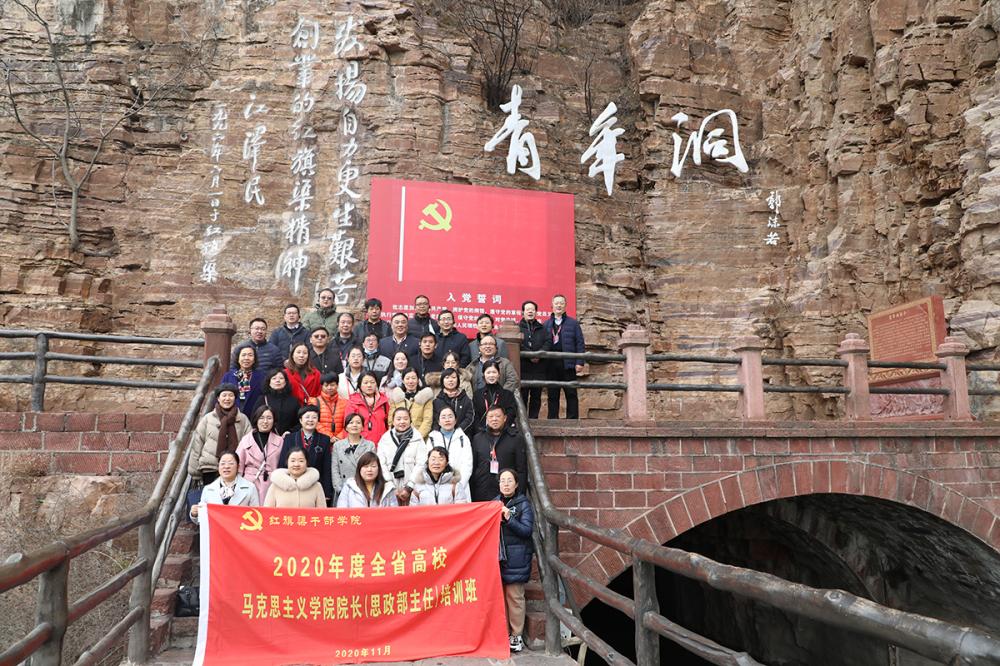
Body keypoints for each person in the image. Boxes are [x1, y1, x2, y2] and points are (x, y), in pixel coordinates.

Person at [496, 468, 535, 653]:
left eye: (509, 480)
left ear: (517, 484)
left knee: (515, 598)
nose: (506, 484)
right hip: (499, 557)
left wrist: (508, 517)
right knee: (500, 598)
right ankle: (502, 634)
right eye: (502, 480)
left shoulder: (523, 504)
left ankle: (516, 635)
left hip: (517, 557)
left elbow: (526, 531)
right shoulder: (494, 503)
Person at [188, 385, 252, 484]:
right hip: (210, 467)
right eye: (224, 395)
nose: (227, 398)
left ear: (235, 398)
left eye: (230, 395)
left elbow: (249, 445)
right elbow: (197, 443)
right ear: (218, 398)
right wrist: (194, 471)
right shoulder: (208, 418)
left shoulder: (242, 419)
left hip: (235, 468)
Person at [278, 404, 334, 505]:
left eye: (314, 417)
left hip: (315, 485)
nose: (310, 420)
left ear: (318, 420)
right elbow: (283, 463)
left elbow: (327, 468)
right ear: (300, 420)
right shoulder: (289, 438)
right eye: (307, 417)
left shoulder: (324, 440)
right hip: (293, 485)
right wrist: (282, 485)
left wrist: (327, 492)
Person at [469, 406, 526, 502]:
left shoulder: (516, 438)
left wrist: (520, 495)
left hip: (507, 492)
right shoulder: (478, 438)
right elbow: (473, 467)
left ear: (505, 418)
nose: (494, 419)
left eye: (498, 416)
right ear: (487, 419)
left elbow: (521, 469)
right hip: (482, 490)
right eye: (491, 416)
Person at [544, 294, 585, 419]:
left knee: (571, 393)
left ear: (565, 305)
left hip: (568, 362)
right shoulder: (546, 324)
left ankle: (572, 420)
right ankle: (552, 420)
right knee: (552, 394)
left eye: (561, 303)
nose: (559, 305)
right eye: (556, 303)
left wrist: (580, 362)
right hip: (551, 363)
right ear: (552, 305)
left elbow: (580, 343)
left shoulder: (573, 323)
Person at [189, 452, 259, 524]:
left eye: (231, 463)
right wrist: (195, 514)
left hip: (240, 529)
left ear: (238, 466)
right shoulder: (208, 489)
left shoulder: (250, 488)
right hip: (216, 530)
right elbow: (202, 520)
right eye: (223, 463)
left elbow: (257, 515)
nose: (226, 466)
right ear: (218, 467)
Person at [377, 408, 428, 504]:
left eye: (405, 418)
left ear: (410, 420)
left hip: (413, 488)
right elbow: (381, 463)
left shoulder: (417, 438)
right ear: (393, 421)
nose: (402, 422)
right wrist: (390, 486)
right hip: (390, 487)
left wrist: (409, 487)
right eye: (398, 419)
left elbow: (421, 463)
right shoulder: (385, 439)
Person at [235, 405, 283, 502]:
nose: (265, 421)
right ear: (256, 419)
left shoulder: (280, 441)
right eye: (261, 418)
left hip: (272, 484)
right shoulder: (246, 440)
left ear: (274, 421)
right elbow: (238, 465)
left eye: (269, 418)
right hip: (248, 483)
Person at [330, 413, 375, 504]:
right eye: (351, 422)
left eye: (358, 422)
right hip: (343, 490)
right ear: (346, 427)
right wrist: (340, 489)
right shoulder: (338, 446)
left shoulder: (370, 445)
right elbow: (335, 469)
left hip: (364, 490)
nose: (354, 425)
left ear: (362, 427)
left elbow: (372, 468)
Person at [518, 300, 551, 419]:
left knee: (536, 396)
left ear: (536, 312)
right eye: (528, 309)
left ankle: (534, 419)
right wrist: (530, 355)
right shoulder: (517, 328)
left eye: (532, 309)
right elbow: (519, 344)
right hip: (524, 367)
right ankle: (522, 419)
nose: (530, 311)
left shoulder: (542, 328)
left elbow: (548, 342)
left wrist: (539, 354)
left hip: (539, 367)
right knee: (523, 395)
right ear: (523, 312)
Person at [426, 406, 473, 486]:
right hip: (436, 485)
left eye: (450, 416)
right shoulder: (432, 438)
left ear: (455, 420)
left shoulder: (463, 438)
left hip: (460, 484)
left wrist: (459, 485)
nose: (447, 420)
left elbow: (467, 465)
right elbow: (428, 463)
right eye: (443, 417)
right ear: (439, 422)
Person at [388, 368, 434, 439]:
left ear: (418, 380)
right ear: (403, 380)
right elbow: (391, 419)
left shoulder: (425, 396)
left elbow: (427, 420)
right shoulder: (397, 396)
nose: (410, 381)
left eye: (413, 378)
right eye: (407, 378)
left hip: (419, 438)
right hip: (398, 437)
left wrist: (417, 437)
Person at [346, 372, 391, 444]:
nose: (369, 385)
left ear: (376, 384)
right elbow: (348, 426)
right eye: (365, 383)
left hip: (382, 443)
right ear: (360, 385)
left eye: (372, 382)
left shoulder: (384, 401)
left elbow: (389, 423)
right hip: (361, 444)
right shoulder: (353, 402)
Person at [253, 369, 300, 437]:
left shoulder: (293, 401)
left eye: (281, 378)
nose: (278, 380)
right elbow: (254, 420)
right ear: (269, 383)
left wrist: (290, 432)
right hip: (266, 437)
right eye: (274, 378)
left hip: (288, 438)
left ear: (285, 382)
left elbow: (300, 422)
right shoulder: (262, 399)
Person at [472, 362, 517, 432]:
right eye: (488, 373)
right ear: (484, 375)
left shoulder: (508, 394)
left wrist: (500, 428)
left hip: (503, 432)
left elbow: (511, 414)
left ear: (499, 374)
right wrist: (480, 430)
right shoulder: (477, 395)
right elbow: (475, 415)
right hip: (482, 432)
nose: (491, 375)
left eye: (494, 372)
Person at [220, 345, 263, 418]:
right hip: (230, 416)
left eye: (250, 355)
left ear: (254, 359)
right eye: (243, 355)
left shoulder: (261, 377)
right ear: (238, 358)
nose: (246, 358)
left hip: (253, 417)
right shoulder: (228, 376)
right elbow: (220, 396)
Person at [432, 369, 475, 434]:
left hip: (462, 434)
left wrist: (458, 431)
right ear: (442, 381)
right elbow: (435, 420)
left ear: (458, 380)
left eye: (453, 377)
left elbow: (469, 417)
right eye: (447, 377)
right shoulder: (437, 401)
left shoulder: (465, 399)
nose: (450, 380)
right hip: (441, 435)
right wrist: (439, 434)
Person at [309, 372, 346, 440]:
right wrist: (330, 437)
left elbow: (348, 423)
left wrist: (339, 437)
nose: (329, 388)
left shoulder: (345, 403)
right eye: (326, 385)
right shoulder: (314, 402)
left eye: (332, 385)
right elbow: (314, 422)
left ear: (337, 385)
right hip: (321, 440)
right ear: (322, 386)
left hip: (340, 441)